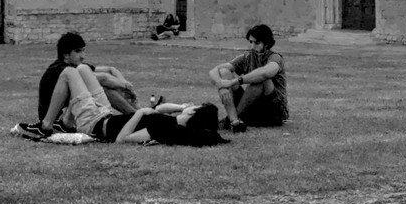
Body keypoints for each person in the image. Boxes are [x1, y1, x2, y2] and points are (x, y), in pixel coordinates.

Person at [35, 32, 199, 143]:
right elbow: (104, 78)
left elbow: (109, 70)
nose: (83, 56)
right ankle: (49, 124)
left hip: (92, 116)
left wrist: (124, 85)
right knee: (95, 79)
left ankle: (133, 114)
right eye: (79, 52)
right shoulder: (59, 70)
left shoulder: (165, 126)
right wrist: (126, 87)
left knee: (83, 70)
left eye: (83, 51)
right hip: (77, 117)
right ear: (66, 54)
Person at [210, 24, 286, 132]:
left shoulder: (275, 58)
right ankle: (234, 121)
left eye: (257, 43)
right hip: (251, 110)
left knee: (260, 79)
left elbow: (265, 73)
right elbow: (214, 71)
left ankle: (229, 120)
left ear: (266, 44)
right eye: (251, 42)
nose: (252, 46)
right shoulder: (247, 57)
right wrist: (221, 85)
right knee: (224, 72)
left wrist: (233, 82)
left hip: (272, 112)